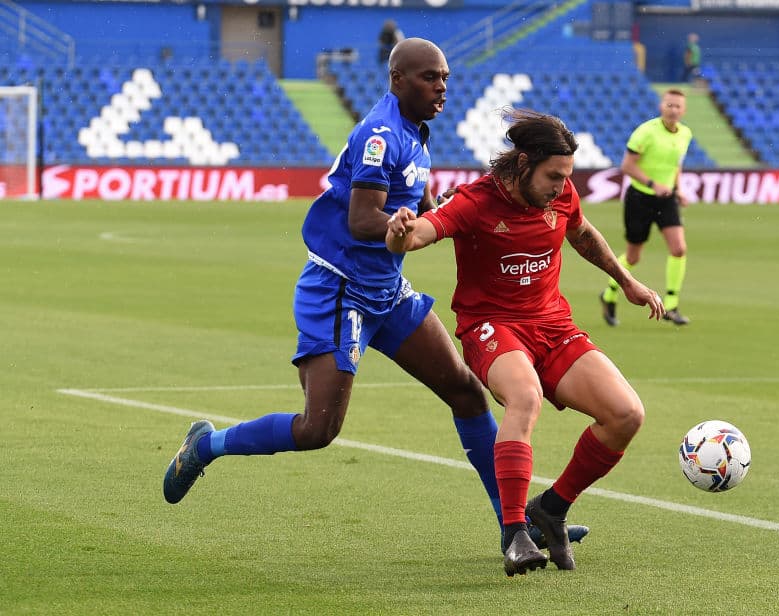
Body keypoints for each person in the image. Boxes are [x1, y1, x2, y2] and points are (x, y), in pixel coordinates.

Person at [161, 38, 587, 552]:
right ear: (397, 80)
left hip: (386, 290)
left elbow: (416, 204)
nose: (442, 87)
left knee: (466, 392)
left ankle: (513, 525)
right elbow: (362, 219)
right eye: (430, 77)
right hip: (340, 291)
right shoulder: (380, 135)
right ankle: (206, 445)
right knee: (318, 429)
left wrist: (439, 209)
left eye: (445, 78)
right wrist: (402, 225)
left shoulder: (415, 131)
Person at [385, 109, 665, 576]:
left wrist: (627, 281)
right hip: (491, 326)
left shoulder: (561, 194)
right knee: (525, 396)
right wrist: (399, 234)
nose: (562, 186)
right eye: (553, 176)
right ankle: (515, 532)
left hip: (552, 326)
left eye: (566, 176)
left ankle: (551, 509)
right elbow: (418, 236)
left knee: (626, 414)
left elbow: (582, 233)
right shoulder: (475, 201)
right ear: (523, 163)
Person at [600, 88, 692, 327]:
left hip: (666, 198)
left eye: (677, 106)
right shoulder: (646, 132)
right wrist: (652, 184)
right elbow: (627, 166)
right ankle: (609, 293)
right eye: (669, 105)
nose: (673, 110)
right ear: (661, 107)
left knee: (679, 248)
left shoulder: (685, 134)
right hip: (640, 198)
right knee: (633, 256)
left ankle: (671, 305)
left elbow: (676, 165)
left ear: (684, 110)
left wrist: (678, 189)